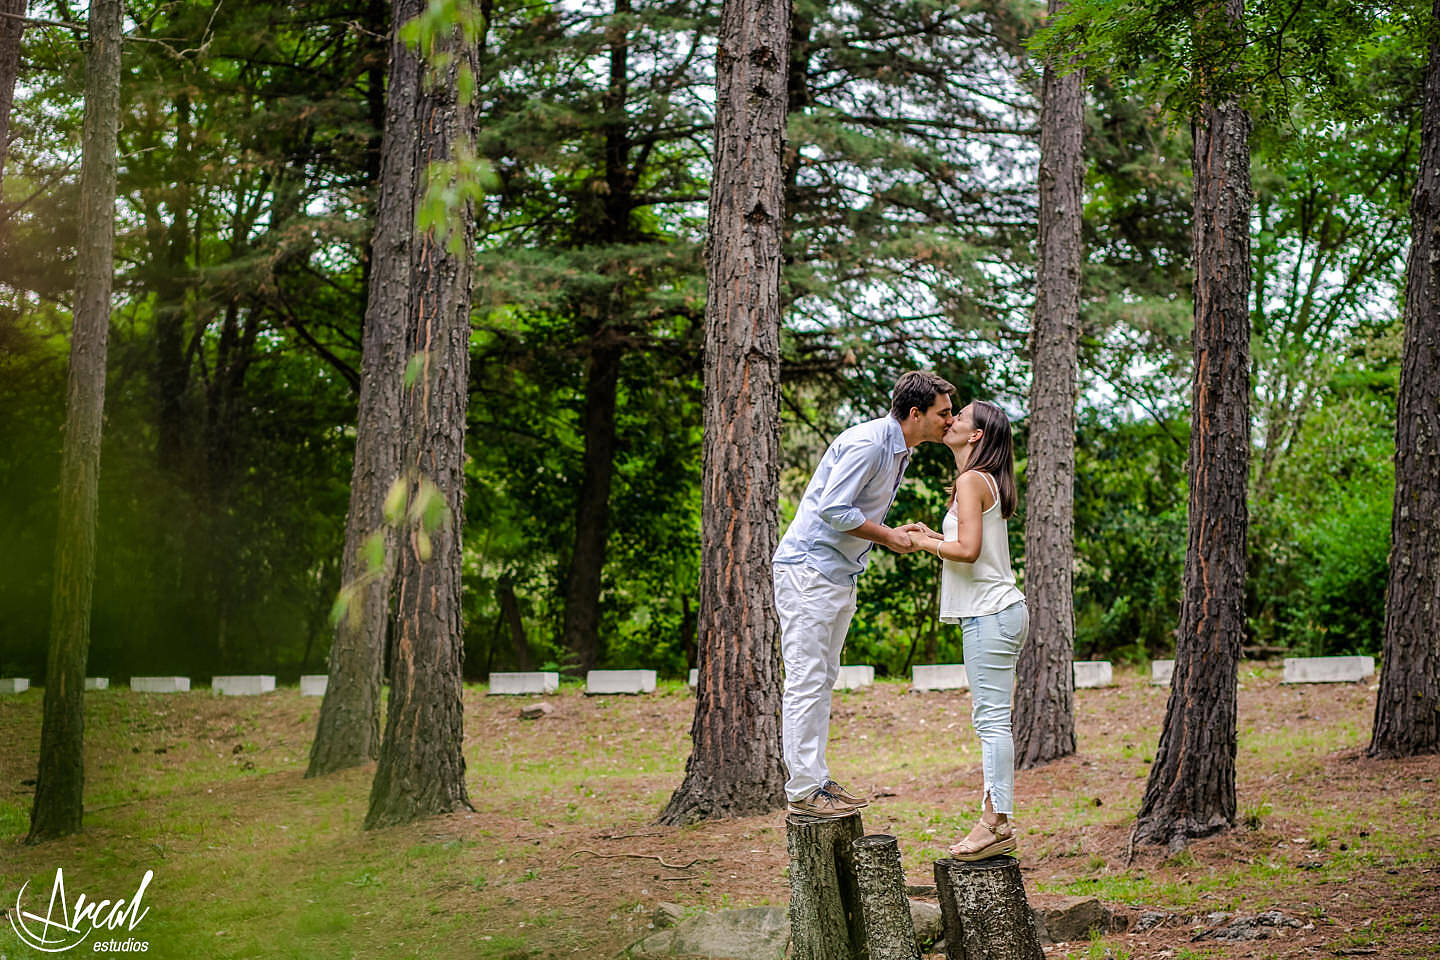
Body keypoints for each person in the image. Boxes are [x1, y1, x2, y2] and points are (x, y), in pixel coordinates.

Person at [773, 371, 956, 818]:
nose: (950, 421)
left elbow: (859, 513)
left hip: (837, 574)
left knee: (822, 678)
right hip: (809, 571)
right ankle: (803, 788)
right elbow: (833, 509)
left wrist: (897, 532)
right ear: (916, 413)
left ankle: (816, 780)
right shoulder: (872, 442)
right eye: (944, 413)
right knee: (807, 679)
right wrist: (889, 536)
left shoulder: (899, 450)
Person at [910, 399, 1027, 859]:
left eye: (959, 417)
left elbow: (971, 552)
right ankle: (994, 818)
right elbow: (966, 544)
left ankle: (995, 823)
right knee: (994, 719)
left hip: (990, 614)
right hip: (999, 610)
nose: (950, 420)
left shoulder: (970, 481)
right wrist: (937, 538)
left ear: (976, 435)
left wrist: (922, 544)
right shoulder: (983, 481)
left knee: (993, 722)